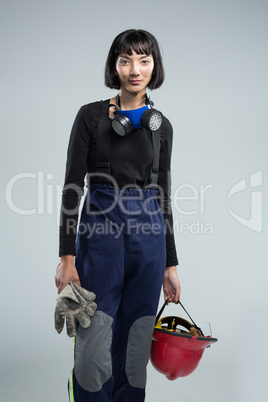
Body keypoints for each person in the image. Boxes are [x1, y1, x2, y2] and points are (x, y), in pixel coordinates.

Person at [55, 29, 181, 402]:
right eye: (125, 60)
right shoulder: (91, 117)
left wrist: (170, 265)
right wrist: (66, 257)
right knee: (95, 334)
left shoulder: (162, 128)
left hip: (150, 241)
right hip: (101, 240)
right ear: (114, 66)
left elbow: (164, 197)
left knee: (137, 335)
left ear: (154, 66)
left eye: (144, 60)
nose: (134, 69)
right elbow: (72, 188)